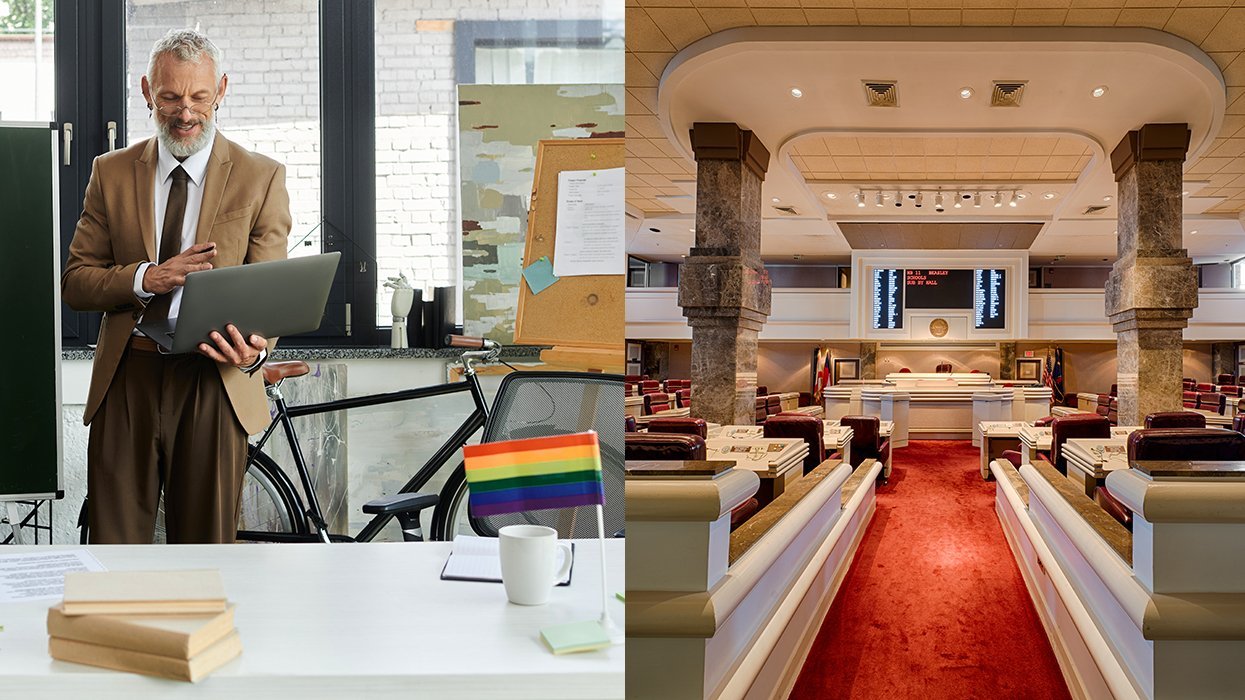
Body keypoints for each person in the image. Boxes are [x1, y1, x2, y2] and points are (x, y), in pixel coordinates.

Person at [61, 29, 290, 544]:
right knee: (114, 549)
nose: (185, 113)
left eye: (199, 97)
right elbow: (75, 283)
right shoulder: (110, 173)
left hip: (214, 380)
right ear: (147, 92)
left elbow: (270, 295)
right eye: (170, 97)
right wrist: (148, 276)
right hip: (128, 377)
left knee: (207, 551)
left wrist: (255, 349)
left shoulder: (261, 177)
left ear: (221, 90)